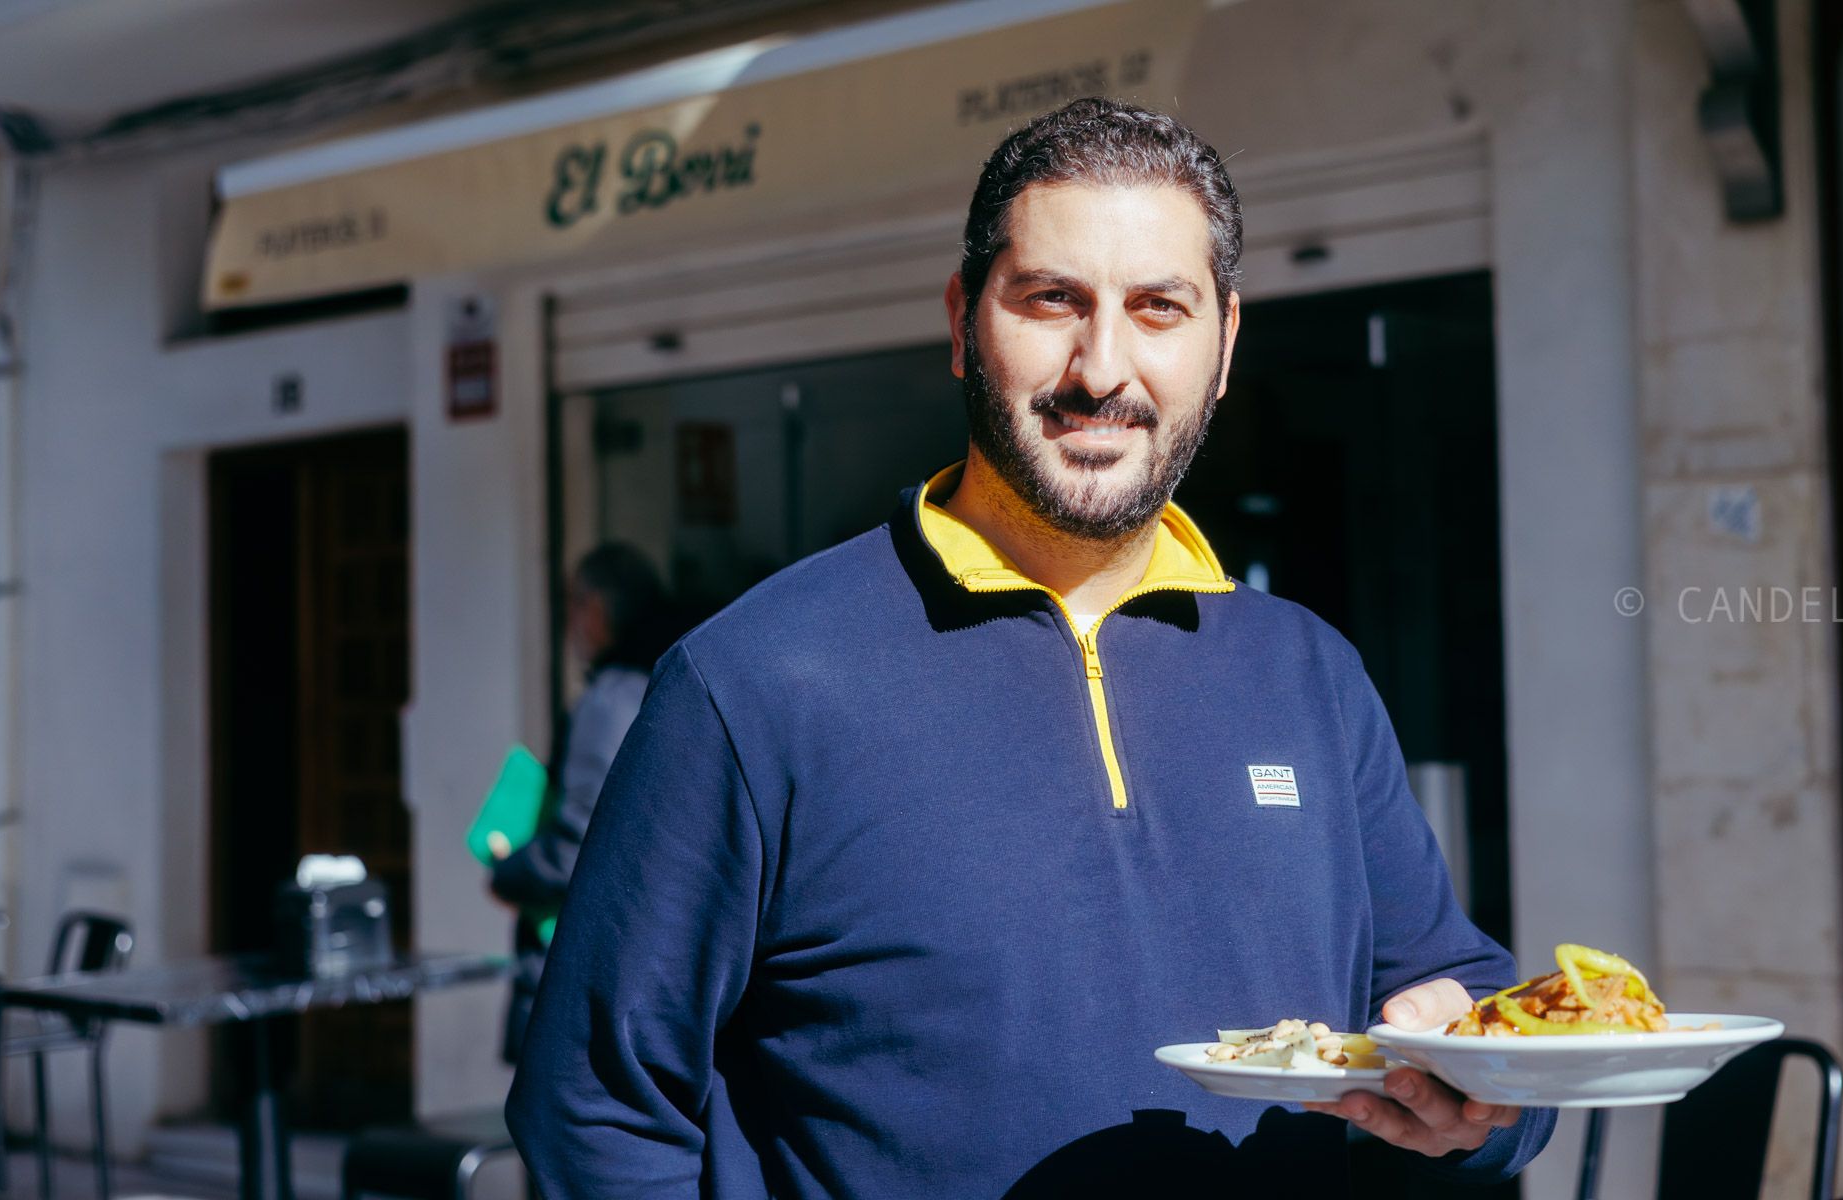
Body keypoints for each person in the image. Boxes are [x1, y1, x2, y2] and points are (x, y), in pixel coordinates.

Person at [508, 97, 1555, 1197]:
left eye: (1159, 308)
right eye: (1053, 299)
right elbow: (593, 1104)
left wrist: (1480, 1098)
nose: (1102, 369)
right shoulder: (755, 680)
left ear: (1224, 345)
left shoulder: (1310, 676)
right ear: (963, 323)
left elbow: (1460, 1003)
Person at [489, 541, 676, 1064]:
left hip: (580, 981)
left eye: (572, 603)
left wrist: (510, 871)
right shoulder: (669, 690)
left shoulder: (609, 703)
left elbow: (576, 849)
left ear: (595, 609)